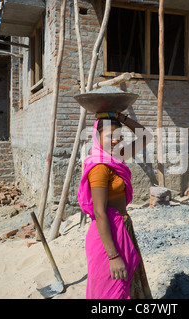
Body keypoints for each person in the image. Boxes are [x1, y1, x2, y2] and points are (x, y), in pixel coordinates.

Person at [77, 112, 153, 299]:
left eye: (119, 136)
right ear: (97, 137)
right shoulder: (100, 167)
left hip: (121, 228)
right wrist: (113, 256)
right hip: (107, 236)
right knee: (111, 292)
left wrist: (121, 117)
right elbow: (99, 212)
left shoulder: (115, 157)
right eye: (110, 136)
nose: (116, 140)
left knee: (126, 286)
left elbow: (146, 136)